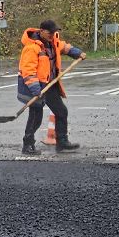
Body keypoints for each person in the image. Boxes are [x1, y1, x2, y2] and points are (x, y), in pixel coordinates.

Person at [17, 19, 84, 155]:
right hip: (36, 87)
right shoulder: (32, 47)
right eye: (50, 33)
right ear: (42, 31)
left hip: (50, 85)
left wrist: (77, 53)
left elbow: (64, 47)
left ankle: (62, 142)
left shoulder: (53, 42)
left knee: (61, 111)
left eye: (54, 33)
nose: (52, 35)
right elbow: (28, 71)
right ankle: (27, 145)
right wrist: (36, 90)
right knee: (36, 118)